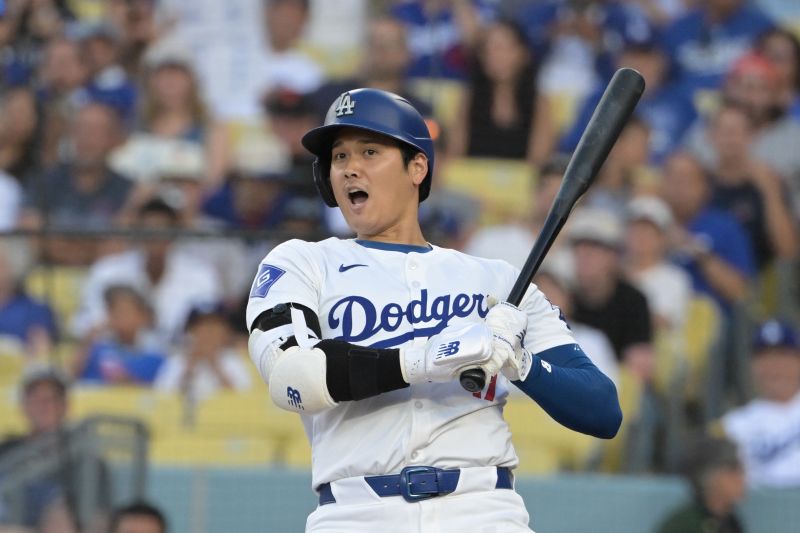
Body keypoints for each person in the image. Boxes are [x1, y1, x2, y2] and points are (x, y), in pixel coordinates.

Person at [245, 88, 621, 532]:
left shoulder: (498, 280)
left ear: (417, 167)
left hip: (482, 509)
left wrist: (518, 363)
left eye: (369, 151)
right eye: (339, 157)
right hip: (356, 511)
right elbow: (293, 379)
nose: (350, 168)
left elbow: (602, 410)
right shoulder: (302, 262)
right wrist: (428, 358)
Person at [721, 319, 800, 488]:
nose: (773, 366)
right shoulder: (732, 425)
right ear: (753, 366)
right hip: (760, 511)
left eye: (782, 355)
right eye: (764, 357)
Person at [154, 302, 251, 402]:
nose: (207, 333)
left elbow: (243, 400)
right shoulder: (177, 362)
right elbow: (162, 399)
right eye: (201, 327)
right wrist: (188, 370)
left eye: (214, 327)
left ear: (225, 332)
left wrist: (215, 365)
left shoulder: (234, 360)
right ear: (190, 332)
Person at [656, 435, 746, 533]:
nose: (741, 478)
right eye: (732, 470)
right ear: (708, 477)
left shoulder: (731, 521)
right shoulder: (683, 525)